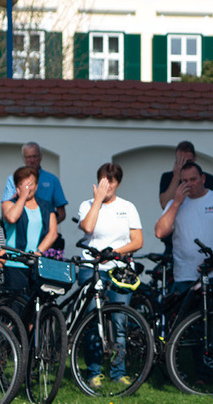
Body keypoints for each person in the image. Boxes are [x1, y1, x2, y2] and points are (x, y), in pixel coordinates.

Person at [77, 162, 143, 388]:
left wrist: (114, 252)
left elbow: (137, 241)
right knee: (92, 321)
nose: (107, 186)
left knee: (119, 321)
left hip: (119, 271)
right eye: (104, 181)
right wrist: (97, 200)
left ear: (118, 183)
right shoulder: (87, 204)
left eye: (111, 182)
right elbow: (87, 227)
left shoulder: (128, 207)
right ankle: (93, 372)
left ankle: (118, 371)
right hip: (92, 270)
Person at [154, 161, 213, 293]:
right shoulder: (174, 203)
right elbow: (160, 232)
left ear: (203, 178)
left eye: (193, 179)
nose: (189, 184)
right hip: (184, 277)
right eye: (185, 181)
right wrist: (176, 203)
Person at [1, 166, 59, 292]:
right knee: (16, 301)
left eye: (31, 184)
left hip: (37, 265)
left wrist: (39, 252)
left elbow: (53, 233)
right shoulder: (9, 204)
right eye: (24, 185)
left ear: (36, 185)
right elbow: (11, 218)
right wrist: (22, 197)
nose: (28, 188)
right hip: (14, 265)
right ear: (17, 187)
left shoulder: (46, 206)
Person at [1, 142, 68, 224]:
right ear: (23, 158)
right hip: (20, 224)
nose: (32, 160)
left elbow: (61, 213)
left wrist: (48, 227)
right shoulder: (13, 179)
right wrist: (20, 196)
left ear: (40, 157)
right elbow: (6, 209)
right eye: (28, 157)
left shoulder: (52, 179)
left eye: (34, 156)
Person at [158, 140, 213, 209]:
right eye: (181, 161)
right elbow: (165, 205)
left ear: (194, 158)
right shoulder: (167, 177)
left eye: (188, 161)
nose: (185, 165)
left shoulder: (208, 179)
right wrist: (176, 177)